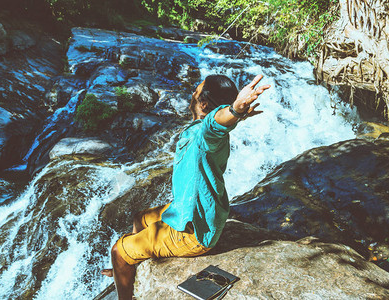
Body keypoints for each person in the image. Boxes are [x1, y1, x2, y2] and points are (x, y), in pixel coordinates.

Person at [102, 74, 271, 299]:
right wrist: (236, 116)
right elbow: (219, 122)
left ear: (203, 104)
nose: (192, 93)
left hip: (194, 232)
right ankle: (130, 271)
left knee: (118, 251)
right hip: (190, 210)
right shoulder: (207, 131)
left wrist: (236, 111)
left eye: (197, 90)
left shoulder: (206, 134)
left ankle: (125, 272)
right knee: (140, 218)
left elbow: (215, 124)